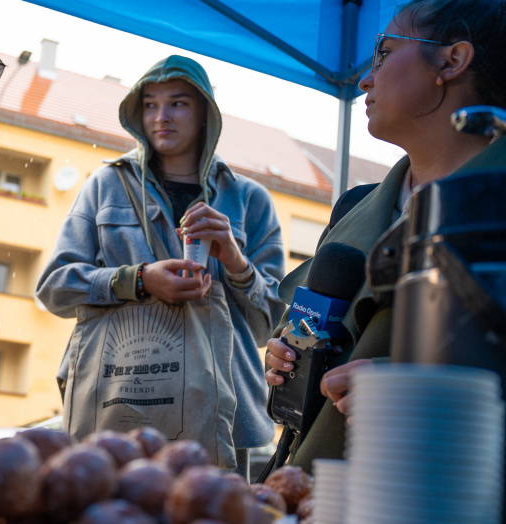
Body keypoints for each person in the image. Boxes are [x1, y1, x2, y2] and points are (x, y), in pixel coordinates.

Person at [265, 0, 506, 474]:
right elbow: (311, 322)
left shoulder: (494, 206)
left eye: (384, 53)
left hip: (438, 515)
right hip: (311, 497)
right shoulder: (356, 206)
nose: (364, 79)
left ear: (452, 60)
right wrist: (285, 352)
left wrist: (418, 389)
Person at [36, 55, 286, 478]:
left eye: (178, 103)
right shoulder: (104, 185)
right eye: (150, 104)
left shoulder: (250, 199)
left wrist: (235, 260)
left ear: (206, 112)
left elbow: (269, 326)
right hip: (120, 403)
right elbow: (54, 288)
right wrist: (137, 280)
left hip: (220, 413)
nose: (161, 116)